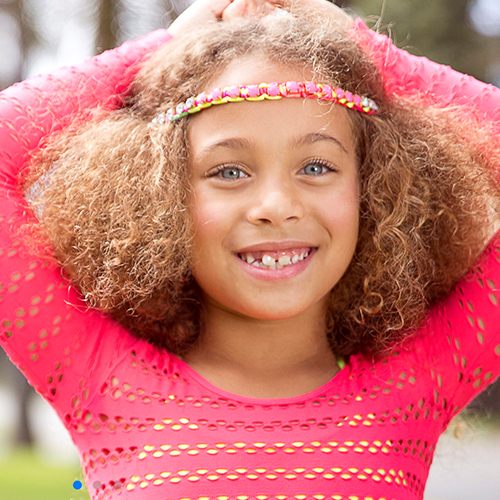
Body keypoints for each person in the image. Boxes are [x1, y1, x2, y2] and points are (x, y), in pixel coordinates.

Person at [1, 0, 500, 499]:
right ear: (160, 192)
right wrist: (160, 50)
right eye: (229, 171)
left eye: (317, 166)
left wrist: (368, 51)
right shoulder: (99, 375)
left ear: (373, 187)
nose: (276, 206)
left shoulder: (418, 382)